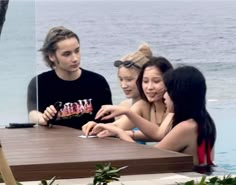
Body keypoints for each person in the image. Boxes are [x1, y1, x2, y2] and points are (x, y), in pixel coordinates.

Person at [92, 66, 217, 168]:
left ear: (179, 95)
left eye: (168, 91)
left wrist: (120, 133)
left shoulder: (186, 127)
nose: (164, 96)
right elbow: (160, 135)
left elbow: (148, 159)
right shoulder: (204, 120)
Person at [27, 26, 114, 129]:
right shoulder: (39, 83)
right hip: (56, 143)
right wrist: (42, 118)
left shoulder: (98, 82)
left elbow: (110, 123)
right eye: (67, 54)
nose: (75, 58)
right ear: (51, 56)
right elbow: (32, 113)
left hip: (94, 142)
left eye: (77, 51)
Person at [83, 56, 174, 142]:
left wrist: (126, 112)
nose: (149, 87)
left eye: (156, 81)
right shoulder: (143, 105)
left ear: (169, 81)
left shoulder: (175, 106)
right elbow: (118, 125)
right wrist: (97, 127)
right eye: (145, 81)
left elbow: (160, 135)